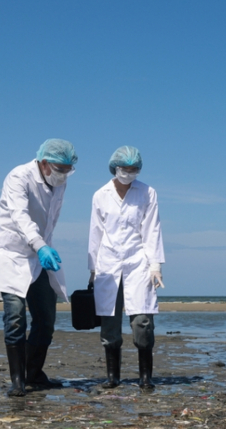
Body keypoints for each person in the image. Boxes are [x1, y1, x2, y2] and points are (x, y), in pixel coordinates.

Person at [0, 139, 77, 397]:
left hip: (39, 254)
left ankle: (34, 373)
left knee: (46, 320)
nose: (64, 174)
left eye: (68, 169)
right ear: (44, 163)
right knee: (15, 318)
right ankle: (17, 381)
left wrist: (44, 246)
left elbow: (50, 219)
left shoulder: (59, 183)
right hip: (10, 254)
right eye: (60, 168)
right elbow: (20, 216)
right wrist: (39, 244)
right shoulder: (18, 177)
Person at [87, 146, 165, 392]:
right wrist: (92, 269)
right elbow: (95, 233)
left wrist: (155, 265)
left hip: (138, 262)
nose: (129, 174)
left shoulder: (147, 192)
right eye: (124, 169)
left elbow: (152, 229)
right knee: (109, 321)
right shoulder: (100, 195)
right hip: (107, 263)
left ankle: (145, 377)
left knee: (142, 321)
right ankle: (113, 377)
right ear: (114, 168)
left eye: (134, 170)